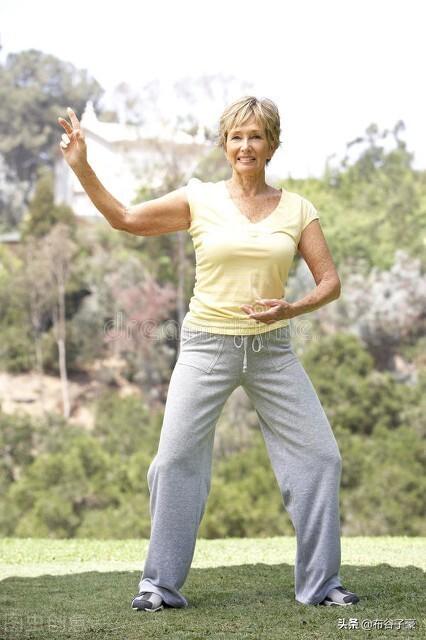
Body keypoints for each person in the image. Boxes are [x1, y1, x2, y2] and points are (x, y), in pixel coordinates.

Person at [58, 97, 360, 612]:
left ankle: (321, 585)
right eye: (236, 137)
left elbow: (329, 282)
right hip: (207, 346)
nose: (246, 146)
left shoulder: (298, 209)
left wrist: (291, 307)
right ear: (224, 145)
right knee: (174, 461)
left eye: (256, 136)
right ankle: (159, 586)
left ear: (272, 145)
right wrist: (82, 166)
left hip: (272, 351)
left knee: (321, 457)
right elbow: (125, 219)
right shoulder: (199, 198)